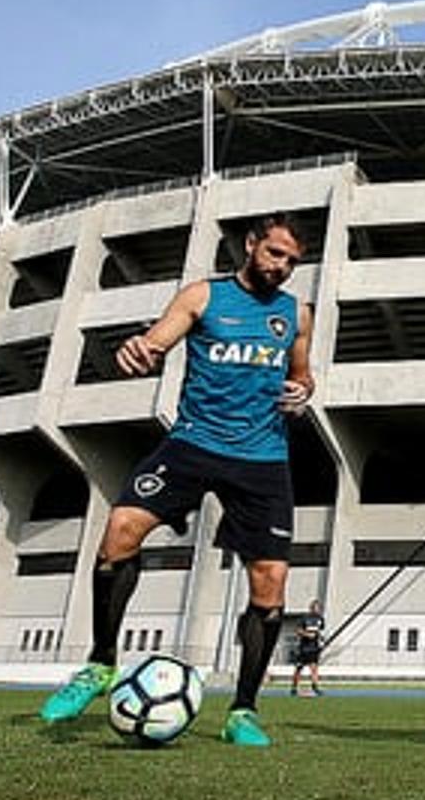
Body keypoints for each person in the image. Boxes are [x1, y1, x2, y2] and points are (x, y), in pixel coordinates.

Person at [40, 213, 315, 746]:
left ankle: (243, 713)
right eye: (275, 254)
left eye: (293, 262)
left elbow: (302, 374)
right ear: (252, 244)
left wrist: (304, 390)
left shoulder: (295, 314)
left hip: (262, 457)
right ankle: (100, 665)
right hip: (193, 442)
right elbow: (154, 343)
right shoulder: (202, 297)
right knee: (120, 530)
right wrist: (138, 350)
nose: (282, 268)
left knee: (271, 582)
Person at [290, 598, 325, 697]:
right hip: (304, 648)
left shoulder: (320, 619)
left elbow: (320, 631)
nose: (318, 609)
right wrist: (307, 635)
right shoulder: (305, 618)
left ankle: (315, 687)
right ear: (311, 608)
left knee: (314, 668)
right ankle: (294, 687)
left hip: (314, 648)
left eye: (319, 608)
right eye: (316, 607)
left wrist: (321, 639)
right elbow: (298, 630)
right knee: (299, 668)